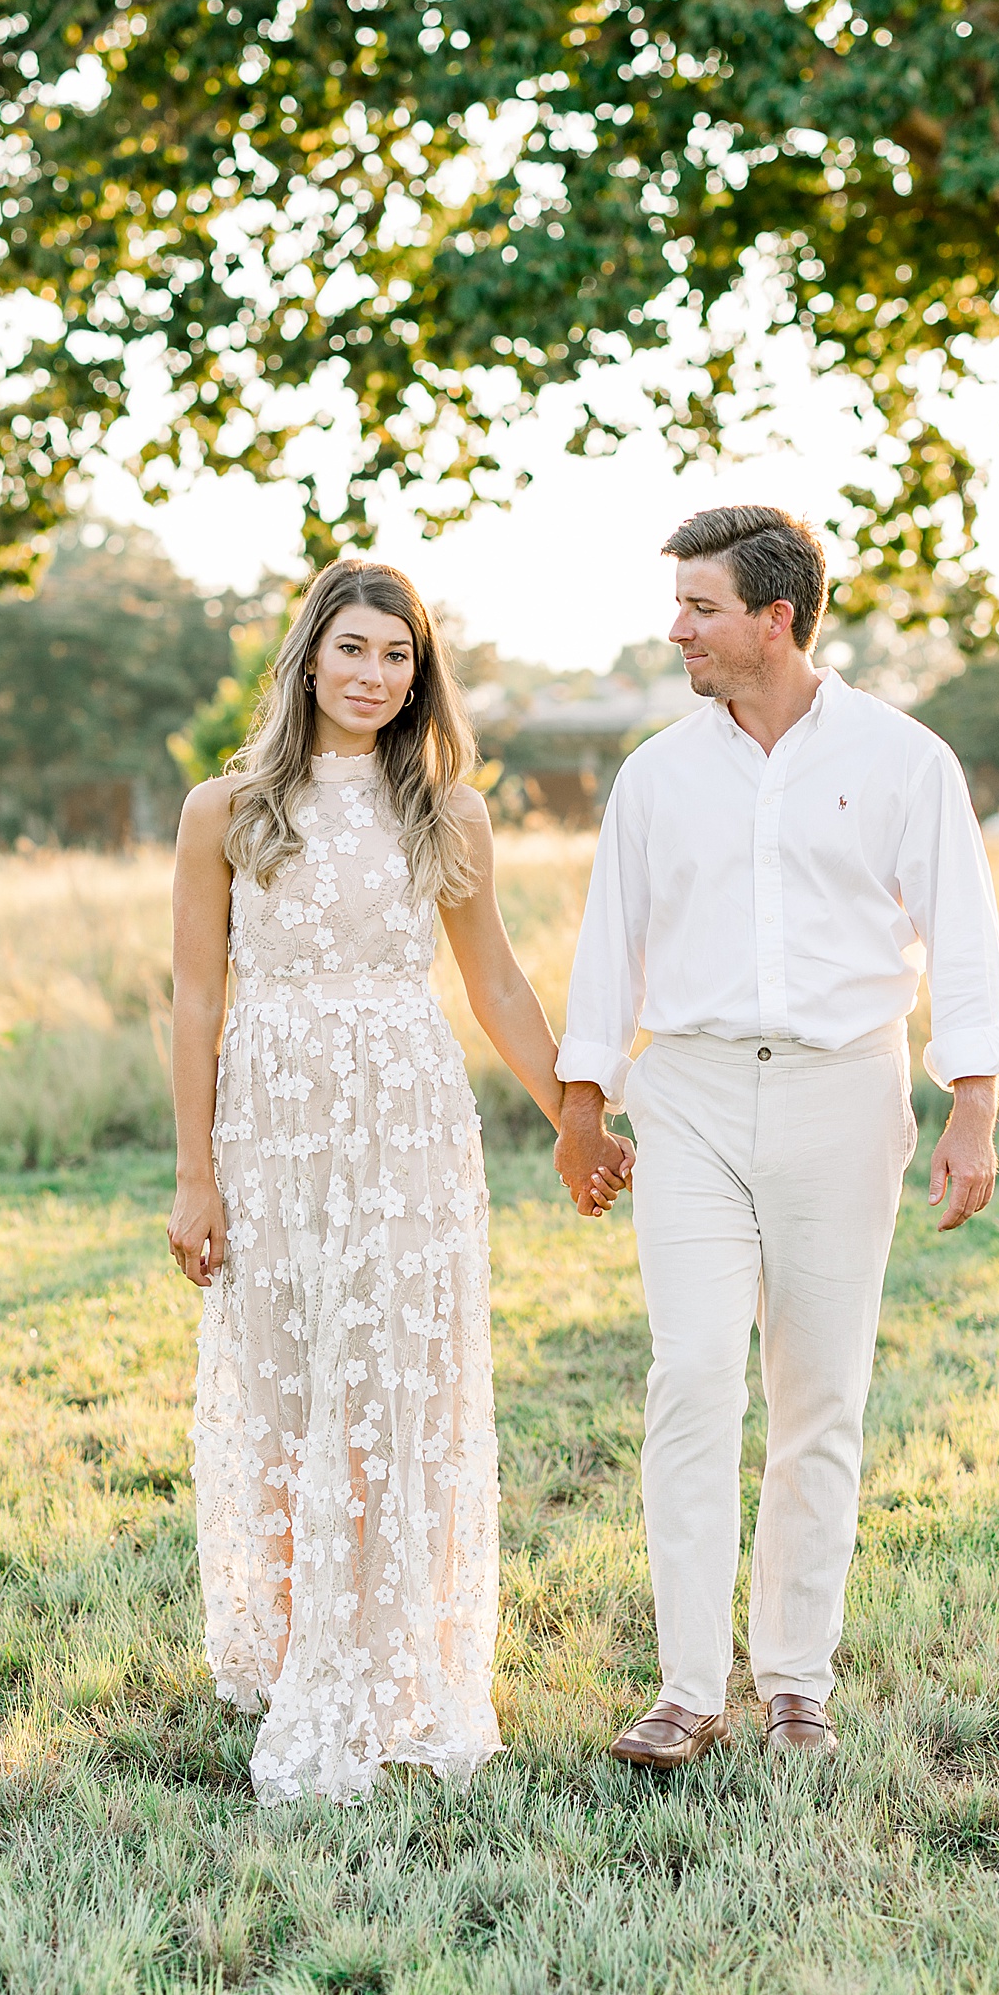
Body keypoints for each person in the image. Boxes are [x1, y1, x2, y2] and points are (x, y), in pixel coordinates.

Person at [553, 505, 999, 1772]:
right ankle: (688, 1686)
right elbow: (610, 945)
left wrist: (973, 1101)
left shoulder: (906, 759)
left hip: (844, 1093)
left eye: (699, 606)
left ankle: (796, 1681)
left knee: (821, 1396)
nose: (677, 628)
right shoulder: (655, 774)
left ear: (776, 617)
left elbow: (964, 938)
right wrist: (584, 1102)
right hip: (690, 1094)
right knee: (692, 1376)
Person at [167, 556, 629, 1803]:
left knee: (389, 1385)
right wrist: (195, 1174)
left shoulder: (448, 814)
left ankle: (381, 1656)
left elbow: (498, 985)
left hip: (406, 1129)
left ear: (419, 677)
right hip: (273, 1129)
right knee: (286, 1380)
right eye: (354, 648)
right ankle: (292, 1644)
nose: (374, 675)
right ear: (309, 656)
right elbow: (197, 999)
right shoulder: (225, 809)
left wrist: (576, 1114)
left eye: (399, 655)